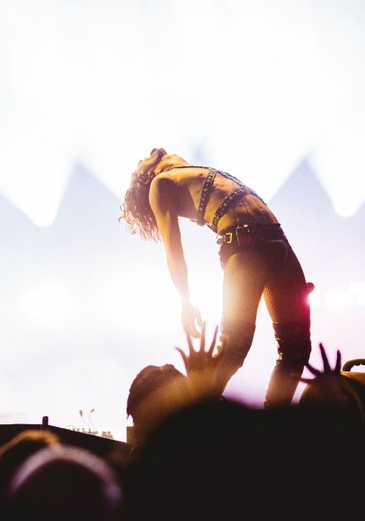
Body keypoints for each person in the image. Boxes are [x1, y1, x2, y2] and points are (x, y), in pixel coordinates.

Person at [120, 147, 314, 407]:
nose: (147, 154)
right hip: (245, 248)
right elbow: (174, 252)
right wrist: (185, 302)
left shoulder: (196, 172)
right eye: (140, 163)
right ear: (144, 178)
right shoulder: (160, 184)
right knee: (234, 348)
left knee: (297, 350)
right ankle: (201, 419)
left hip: (278, 241)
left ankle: (273, 422)